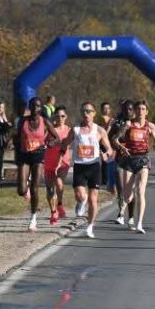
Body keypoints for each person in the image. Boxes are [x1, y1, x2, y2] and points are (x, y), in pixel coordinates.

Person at [114, 100, 155, 234]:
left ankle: (139, 223)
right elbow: (115, 139)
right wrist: (122, 147)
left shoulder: (150, 126)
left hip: (143, 160)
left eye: (143, 109)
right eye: (138, 109)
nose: (141, 111)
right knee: (128, 197)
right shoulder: (128, 124)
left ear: (147, 111)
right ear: (135, 111)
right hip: (129, 160)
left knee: (141, 191)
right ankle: (127, 200)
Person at [65, 102, 113, 238]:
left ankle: (90, 226)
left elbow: (109, 149)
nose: (86, 114)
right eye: (84, 111)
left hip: (94, 166)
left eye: (89, 111)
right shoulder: (75, 129)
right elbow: (65, 143)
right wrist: (58, 148)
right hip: (79, 166)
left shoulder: (100, 130)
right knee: (80, 195)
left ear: (94, 113)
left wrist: (106, 154)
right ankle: (82, 201)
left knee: (93, 199)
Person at [14, 97, 60, 231]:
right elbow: (17, 137)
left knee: (35, 187)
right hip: (24, 155)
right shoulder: (23, 121)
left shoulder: (45, 122)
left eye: (38, 106)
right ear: (29, 107)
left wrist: (51, 143)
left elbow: (57, 138)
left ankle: (33, 218)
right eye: (33, 106)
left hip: (38, 156)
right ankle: (26, 189)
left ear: (41, 108)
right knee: (21, 190)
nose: (35, 108)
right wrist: (14, 143)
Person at [109, 99, 136, 225]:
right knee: (120, 188)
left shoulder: (138, 123)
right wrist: (118, 146)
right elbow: (110, 139)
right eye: (125, 109)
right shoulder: (117, 123)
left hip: (135, 159)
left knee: (130, 190)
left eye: (130, 109)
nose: (128, 112)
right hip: (121, 158)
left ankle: (131, 216)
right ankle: (121, 213)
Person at [44, 105, 72, 225]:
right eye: (57, 116)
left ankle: (59, 204)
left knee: (59, 183)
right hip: (49, 162)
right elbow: (43, 141)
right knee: (50, 189)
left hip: (63, 163)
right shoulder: (50, 129)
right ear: (54, 117)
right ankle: (53, 212)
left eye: (62, 116)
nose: (60, 118)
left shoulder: (69, 130)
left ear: (66, 117)